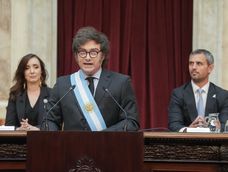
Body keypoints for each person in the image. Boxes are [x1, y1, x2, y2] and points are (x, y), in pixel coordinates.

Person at [45, 26, 139, 131]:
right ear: (76, 56)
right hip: (71, 146)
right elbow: (49, 120)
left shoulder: (121, 83)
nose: (88, 57)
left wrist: (102, 137)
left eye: (93, 52)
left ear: (102, 56)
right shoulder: (63, 85)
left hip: (108, 146)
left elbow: (131, 121)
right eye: (82, 52)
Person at [168, 49, 228, 132]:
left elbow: (225, 126)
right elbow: (174, 125)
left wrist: (214, 128)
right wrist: (189, 130)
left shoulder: (223, 95)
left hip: (214, 144)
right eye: (191, 63)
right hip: (186, 143)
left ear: (210, 68)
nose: (194, 67)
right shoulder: (178, 94)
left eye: (199, 63)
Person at [5, 53, 51, 131]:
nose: (32, 71)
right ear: (23, 72)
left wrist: (37, 129)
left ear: (42, 71)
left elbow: (55, 125)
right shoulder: (15, 95)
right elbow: (9, 126)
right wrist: (19, 129)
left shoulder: (52, 94)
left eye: (36, 67)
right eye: (27, 68)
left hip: (44, 140)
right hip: (20, 141)